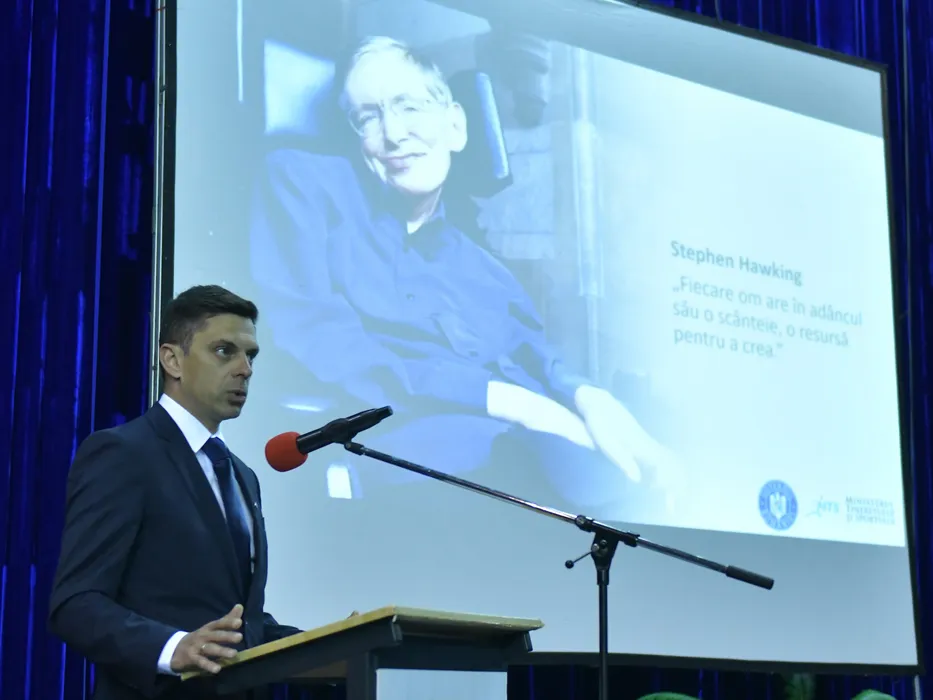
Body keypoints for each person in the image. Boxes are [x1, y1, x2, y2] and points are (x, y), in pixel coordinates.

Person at [250, 36, 682, 518]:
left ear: (455, 126)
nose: (393, 133)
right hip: (420, 465)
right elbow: (317, 336)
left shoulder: (484, 268)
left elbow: (540, 358)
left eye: (409, 106)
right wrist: (508, 401)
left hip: (524, 465)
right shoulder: (301, 182)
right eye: (368, 117)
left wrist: (590, 398)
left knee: (636, 482)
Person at [48, 285, 301, 700]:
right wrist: (172, 648)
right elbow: (76, 604)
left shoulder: (242, 475)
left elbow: (237, 621)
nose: (245, 369)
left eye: (250, 355)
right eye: (224, 351)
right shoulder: (123, 453)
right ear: (172, 360)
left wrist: (338, 639)